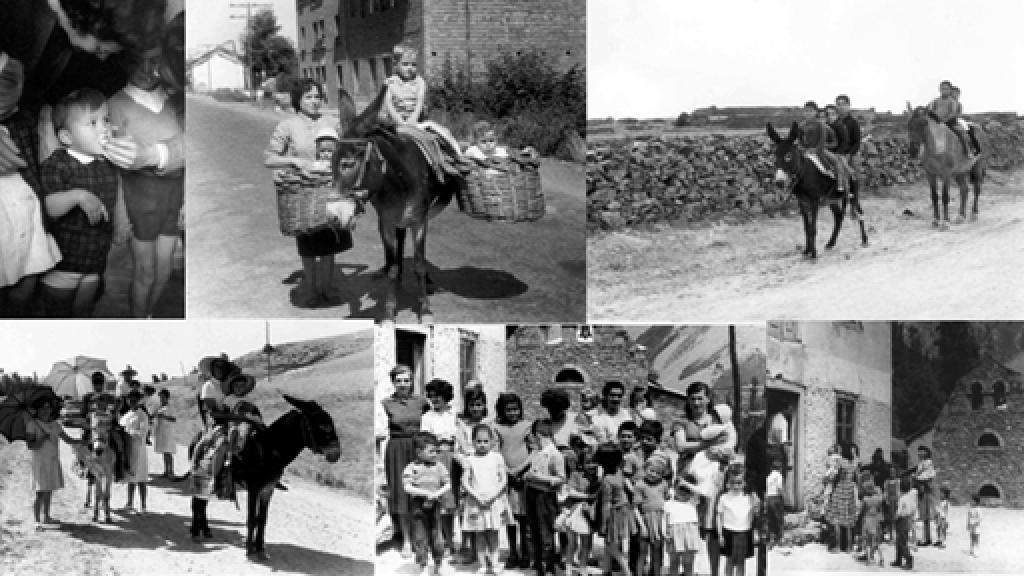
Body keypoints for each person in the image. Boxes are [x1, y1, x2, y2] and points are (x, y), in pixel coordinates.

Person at [106, 44, 184, 318]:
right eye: (139, 62)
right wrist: (120, 216)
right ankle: (139, 322)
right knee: (145, 272)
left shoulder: (176, 101)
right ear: (127, 62)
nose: (148, 71)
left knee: (164, 271)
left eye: (155, 62)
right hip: (139, 200)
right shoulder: (115, 105)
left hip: (174, 198)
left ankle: (149, 316)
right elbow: (114, 168)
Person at [39, 88, 130, 317]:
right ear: (67, 138)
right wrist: (78, 195)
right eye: (93, 123)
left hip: (95, 260)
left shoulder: (107, 163)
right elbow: (50, 207)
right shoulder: (58, 164)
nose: (104, 128)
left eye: (106, 120)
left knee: (84, 311)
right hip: (64, 262)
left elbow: (117, 195)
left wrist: (120, 224)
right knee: (58, 315)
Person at [264, 78, 353, 308]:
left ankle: (326, 288)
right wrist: (294, 162)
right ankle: (312, 289)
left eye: (317, 97)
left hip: (329, 190)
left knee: (329, 241)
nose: (314, 101)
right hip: (303, 193)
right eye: (308, 97)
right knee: (308, 244)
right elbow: (269, 158)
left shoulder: (332, 122)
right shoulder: (287, 126)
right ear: (298, 100)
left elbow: (349, 149)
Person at [0, 53, 61, 317]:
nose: (8, 112)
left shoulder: (22, 122)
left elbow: (35, 165)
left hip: (28, 213)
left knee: (29, 275)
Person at [382, 44, 470, 180]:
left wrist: (412, 120)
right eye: (405, 64)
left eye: (413, 65)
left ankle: (456, 157)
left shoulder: (419, 82)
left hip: (416, 121)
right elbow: (389, 104)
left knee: (442, 132)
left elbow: (419, 101)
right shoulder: (390, 83)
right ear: (396, 64)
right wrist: (400, 122)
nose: (410, 68)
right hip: (395, 123)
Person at [380, 364, 430, 558]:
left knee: (420, 488)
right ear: (393, 382)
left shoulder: (421, 402)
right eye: (398, 381)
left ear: (412, 382)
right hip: (397, 449)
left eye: (407, 380)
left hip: (417, 447)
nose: (403, 384)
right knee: (401, 492)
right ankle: (407, 541)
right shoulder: (386, 403)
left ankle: (421, 538)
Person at [25, 394, 85, 529]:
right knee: (40, 492)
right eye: (42, 408)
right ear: (37, 409)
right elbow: (31, 445)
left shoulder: (55, 425)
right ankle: (36, 520)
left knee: (49, 489)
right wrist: (42, 438)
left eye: (48, 408)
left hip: (52, 461)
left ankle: (46, 516)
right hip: (40, 462)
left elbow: (67, 439)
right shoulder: (32, 424)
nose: (45, 411)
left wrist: (81, 441)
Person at [461, 423, 512, 574]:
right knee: (480, 534)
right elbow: (465, 481)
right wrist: (476, 496)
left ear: (491, 441)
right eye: (478, 441)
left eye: (485, 441)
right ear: (473, 442)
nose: (482, 444)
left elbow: (503, 479)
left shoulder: (497, 457)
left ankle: (495, 563)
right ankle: (482, 564)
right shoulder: (469, 459)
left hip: (493, 501)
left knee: (494, 534)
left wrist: (493, 495)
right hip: (476, 502)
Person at [492, 392, 533, 570]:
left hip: (524, 477)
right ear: (502, 411)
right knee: (511, 518)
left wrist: (520, 469)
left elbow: (534, 450)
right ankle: (512, 552)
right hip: (506, 478)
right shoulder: (496, 427)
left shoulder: (527, 426)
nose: (512, 413)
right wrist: (508, 471)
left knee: (524, 518)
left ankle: (526, 552)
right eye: (508, 410)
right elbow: (496, 451)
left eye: (515, 409)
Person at [418, 378, 458, 557]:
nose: (434, 399)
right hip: (435, 460)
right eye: (431, 396)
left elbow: (458, 437)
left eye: (438, 396)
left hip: (453, 459)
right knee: (437, 502)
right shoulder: (427, 417)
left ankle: (450, 541)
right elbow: (425, 439)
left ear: (446, 396)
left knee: (450, 502)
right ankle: (437, 541)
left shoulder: (454, 415)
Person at [403, 431, 451, 576]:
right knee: (420, 537)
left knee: (437, 537)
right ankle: (422, 564)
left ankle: (438, 564)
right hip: (418, 506)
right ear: (419, 452)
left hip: (435, 505)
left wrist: (436, 494)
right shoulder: (412, 467)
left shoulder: (439, 466)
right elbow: (407, 487)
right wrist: (424, 493)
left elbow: (448, 484)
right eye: (431, 451)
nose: (435, 454)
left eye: (436, 450)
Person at [523, 418, 566, 576]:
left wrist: (537, 478)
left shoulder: (555, 455)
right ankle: (539, 565)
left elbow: (561, 479)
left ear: (538, 435)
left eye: (532, 435)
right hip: (532, 494)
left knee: (546, 531)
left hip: (545, 496)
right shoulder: (536, 452)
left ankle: (548, 566)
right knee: (533, 530)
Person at [595, 442, 634, 576]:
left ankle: (627, 572)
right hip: (624, 511)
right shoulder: (619, 472)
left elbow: (606, 504)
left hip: (614, 514)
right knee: (609, 545)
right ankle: (606, 571)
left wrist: (604, 524)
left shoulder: (607, 480)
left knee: (612, 547)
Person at [560, 444, 599, 576]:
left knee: (587, 544)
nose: (592, 465)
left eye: (594, 462)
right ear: (582, 464)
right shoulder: (576, 475)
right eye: (588, 462)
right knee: (572, 543)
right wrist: (588, 496)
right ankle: (569, 568)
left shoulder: (598, 478)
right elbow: (570, 492)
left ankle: (583, 568)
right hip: (574, 511)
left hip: (589, 514)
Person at [796, 101, 848, 196]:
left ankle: (840, 183)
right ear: (803, 112)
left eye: (811, 111)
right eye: (806, 111)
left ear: (815, 112)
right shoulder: (801, 126)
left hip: (820, 150)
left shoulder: (821, 125)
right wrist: (803, 149)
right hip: (806, 151)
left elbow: (822, 140)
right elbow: (799, 141)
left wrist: (816, 149)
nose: (808, 113)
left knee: (836, 161)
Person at [633, 455, 671, 576]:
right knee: (642, 551)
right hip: (645, 520)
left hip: (660, 521)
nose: (654, 474)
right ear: (646, 469)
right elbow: (636, 508)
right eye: (652, 471)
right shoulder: (640, 485)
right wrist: (642, 526)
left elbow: (667, 499)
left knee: (657, 551)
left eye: (658, 473)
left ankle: (655, 573)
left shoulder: (663, 484)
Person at [717, 465, 759, 576]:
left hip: (744, 532)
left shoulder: (749, 498)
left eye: (739, 483)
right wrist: (720, 534)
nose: (735, 486)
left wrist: (755, 532)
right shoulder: (724, 498)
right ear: (728, 483)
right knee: (729, 561)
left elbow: (756, 515)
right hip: (728, 532)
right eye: (732, 483)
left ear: (745, 483)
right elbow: (719, 516)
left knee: (741, 562)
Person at [666, 474, 703, 576]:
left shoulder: (693, 501)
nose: (683, 492)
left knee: (688, 562)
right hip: (673, 533)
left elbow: (699, 491)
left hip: (690, 532)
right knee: (674, 562)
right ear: (675, 488)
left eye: (687, 490)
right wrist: (666, 533)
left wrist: (686, 483)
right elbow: (665, 519)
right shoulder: (669, 503)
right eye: (681, 489)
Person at [119, 389, 149, 513]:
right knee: (130, 477)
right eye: (130, 400)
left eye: (134, 400)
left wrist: (127, 432)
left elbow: (142, 432)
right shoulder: (126, 414)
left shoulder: (142, 415)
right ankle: (129, 503)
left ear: (139, 401)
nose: (132, 402)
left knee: (141, 478)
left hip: (139, 449)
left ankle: (143, 505)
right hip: (128, 449)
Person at [824, 443, 858, 552]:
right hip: (849, 491)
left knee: (836, 521)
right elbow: (856, 476)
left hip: (840, 490)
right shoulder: (854, 463)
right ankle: (849, 547)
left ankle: (838, 546)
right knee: (848, 521)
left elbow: (833, 475)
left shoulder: (840, 462)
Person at [927, 80, 974, 158]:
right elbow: (930, 109)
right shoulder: (935, 100)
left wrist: (944, 121)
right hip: (936, 123)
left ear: (950, 90)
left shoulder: (952, 101)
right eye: (942, 89)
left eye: (946, 89)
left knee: (960, 132)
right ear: (939, 89)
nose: (944, 91)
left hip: (950, 123)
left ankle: (968, 151)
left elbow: (952, 113)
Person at [913, 446, 937, 546]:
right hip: (922, 491)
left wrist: (917, 478)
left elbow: (928, 476)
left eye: (922, 451)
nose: (920, 453)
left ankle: (928, 538)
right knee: (924, 516)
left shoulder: (928, 463)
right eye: (919, 452)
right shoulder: (921, 463)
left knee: (927, 515)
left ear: (926, 453)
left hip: (927, 491)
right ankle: (926, 537)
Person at [892, 475, 917, 570]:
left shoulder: (902, 499)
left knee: (901, 542)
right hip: (908, 519)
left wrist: (895, 518)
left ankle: (908, 559)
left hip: (901, 520)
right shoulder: (911, 497)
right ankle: (898, 560)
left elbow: (898, 512)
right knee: (901, 541)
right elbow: (913, 508)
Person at [152, 388, 178, 479]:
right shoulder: (159, 407)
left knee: (168, 452)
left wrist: (164, 417)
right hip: (161, 431)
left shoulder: (170, 407)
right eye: (160, 397)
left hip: (168, 433)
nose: (161, 399)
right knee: (164, 452)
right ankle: (166, 471)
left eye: (163, 397)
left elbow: (174, 419)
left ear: (167, 397)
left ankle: (171, 471)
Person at [859, 479, 885, 566]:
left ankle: (868, 560)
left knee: (866, 541)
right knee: (876, 541)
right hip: (875, 520)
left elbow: (862, 511)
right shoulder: (878, 499)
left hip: (867, 520)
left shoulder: (865, 499)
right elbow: (879, 509)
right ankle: (881, 558)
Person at [765, 458, 785, 547]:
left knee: (770, 519)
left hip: (769, 498)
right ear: (780, 468)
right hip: (776, 498)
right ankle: (779, 539)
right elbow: (779, 488)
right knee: (779, 519)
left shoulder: (768, 476)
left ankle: (770, 540)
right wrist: (783, 498)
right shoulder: (778, 476)